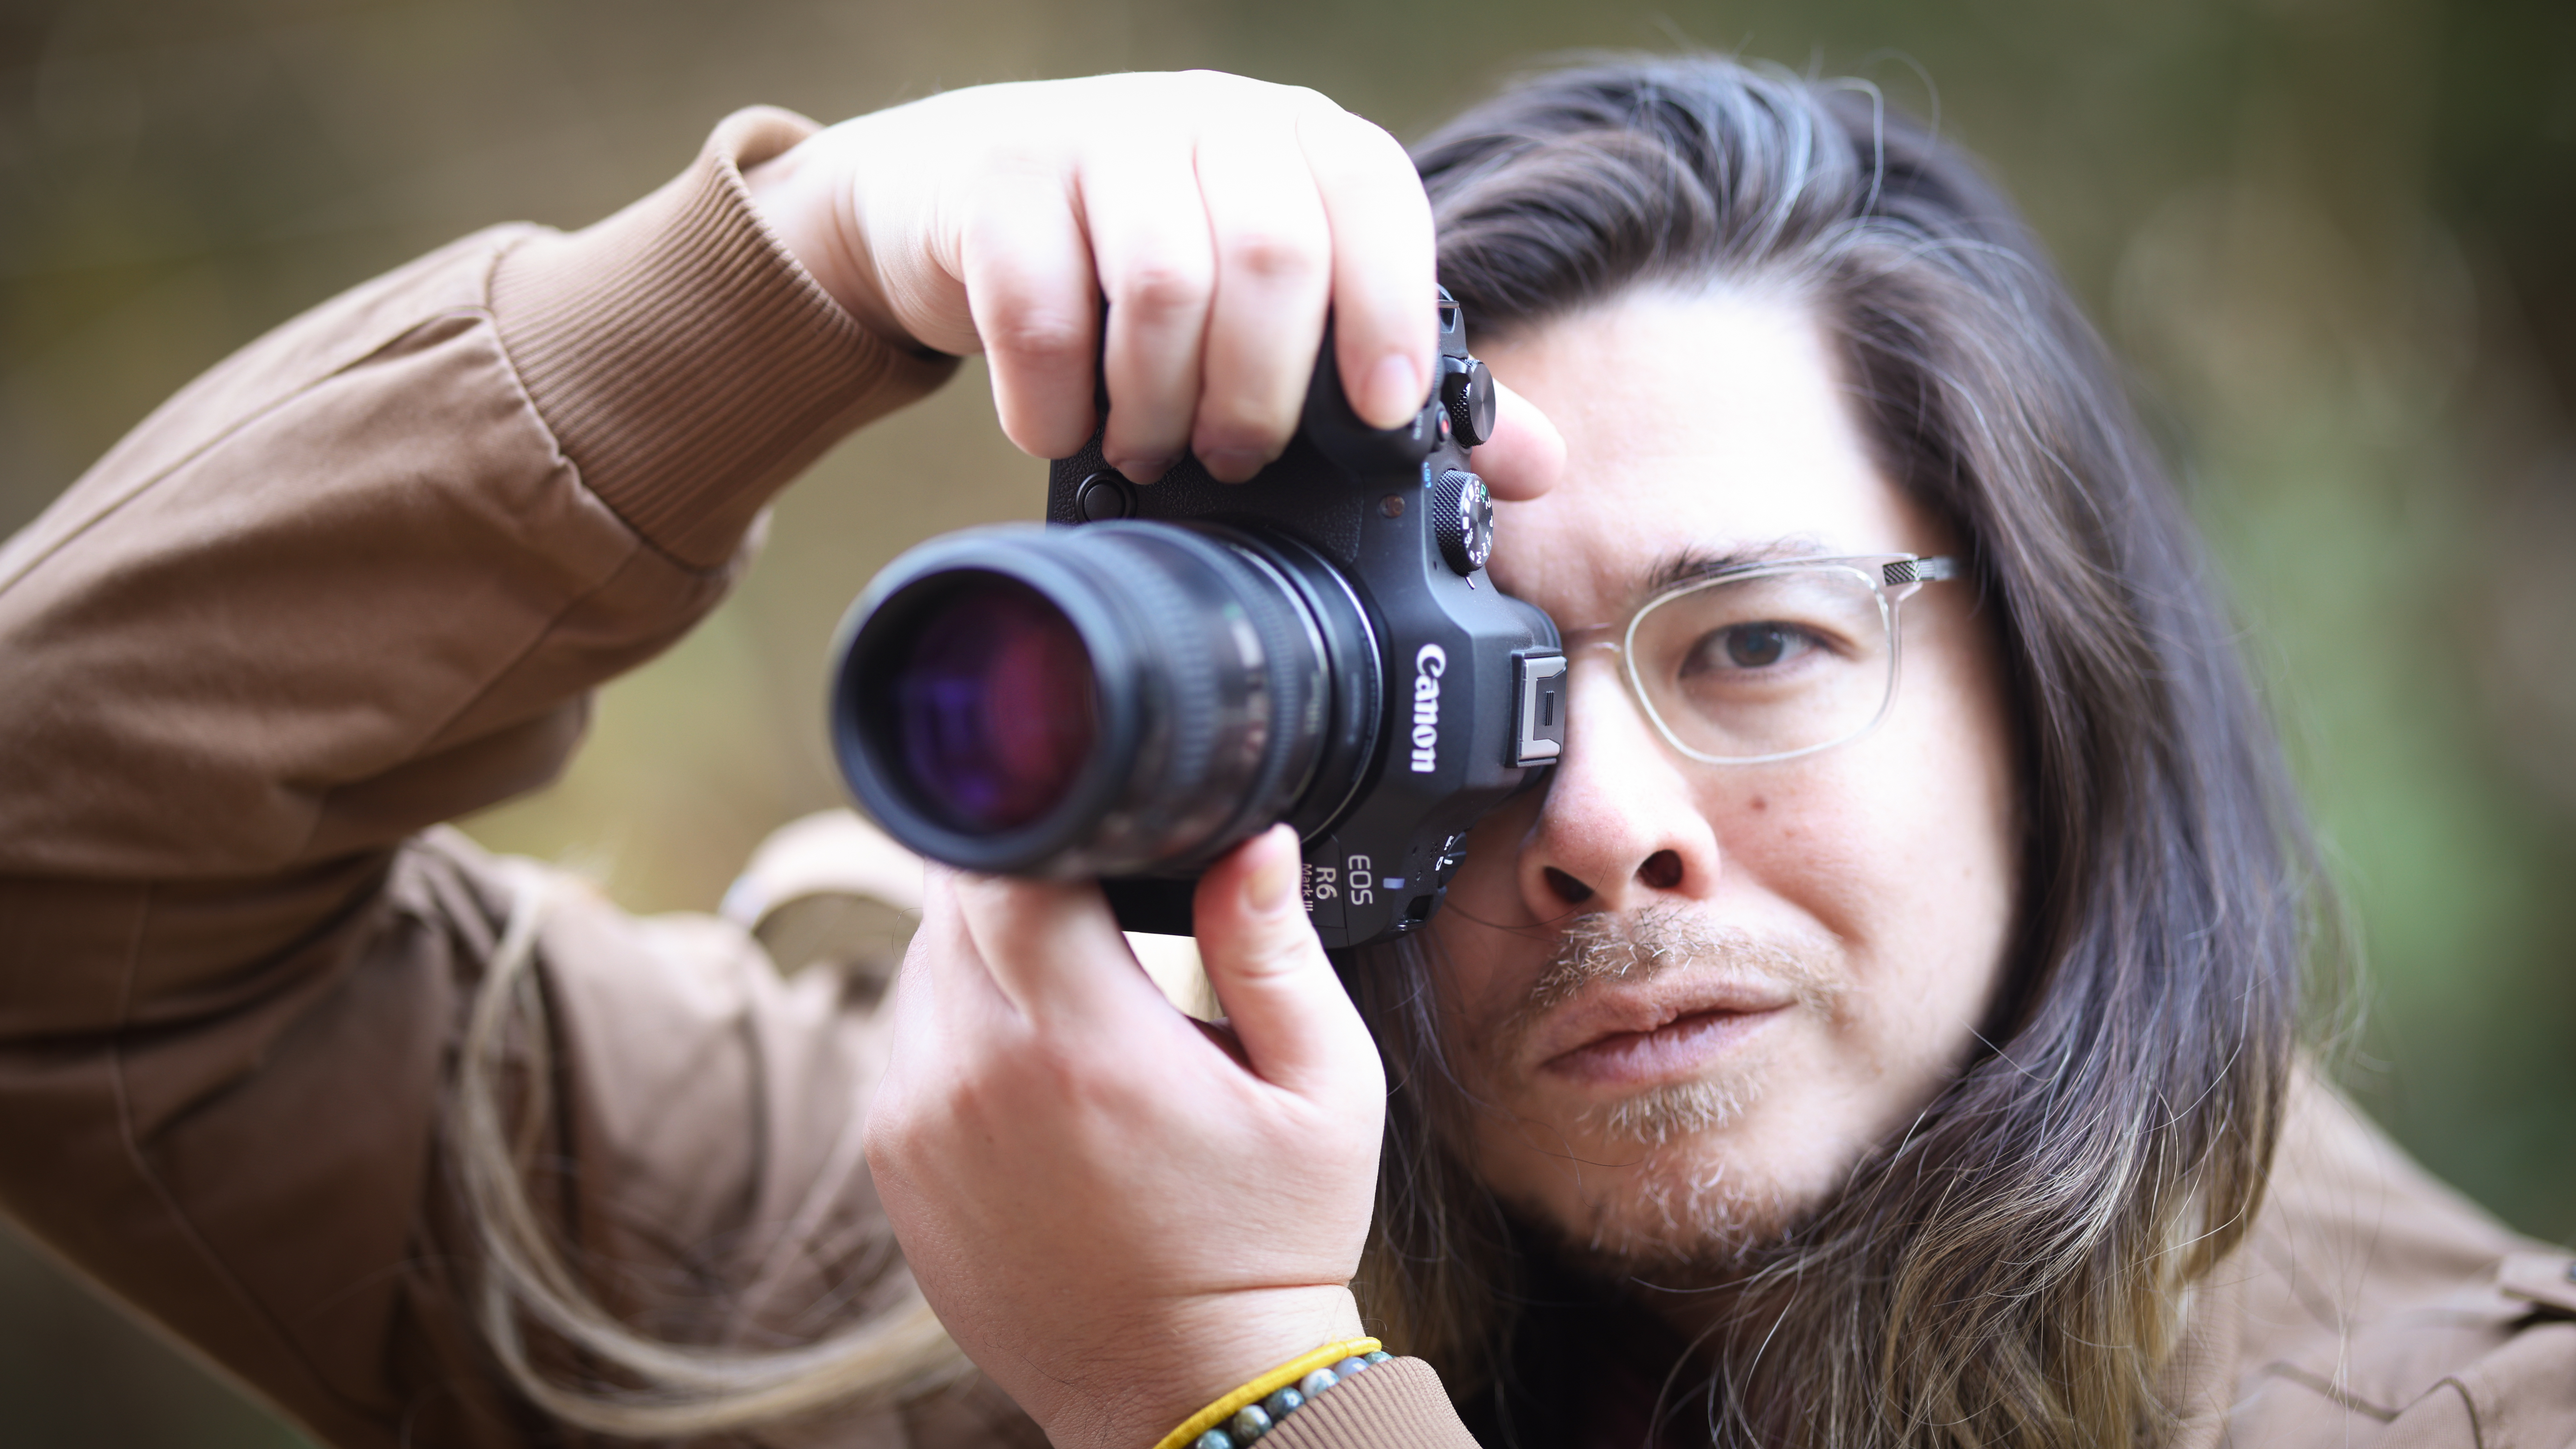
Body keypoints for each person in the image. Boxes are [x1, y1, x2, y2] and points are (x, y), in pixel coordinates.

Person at [0, 52, 2568, 1449]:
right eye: (1449, 681)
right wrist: (791, 268)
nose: (1589, 824)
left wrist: (1233, 1394)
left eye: (1758, 645)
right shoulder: (910, 1270)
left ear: (2054, 692)